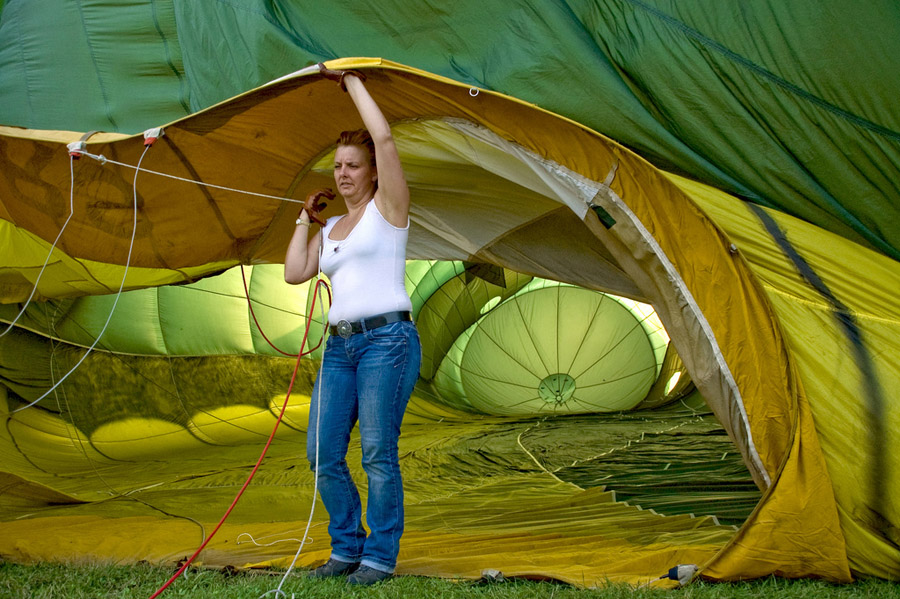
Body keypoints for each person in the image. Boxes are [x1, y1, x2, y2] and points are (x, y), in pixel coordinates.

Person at [284, 63, 421, 586]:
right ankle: (346, 548)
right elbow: (297, 271)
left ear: (372, 173)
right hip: (339, 350)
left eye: (353, 165)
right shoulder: (334, 228)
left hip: (387, 341)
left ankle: (380, 555)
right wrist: (305, 220)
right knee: (321, 453)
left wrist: (349, 82)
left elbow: (383, 136)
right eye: (338, 165)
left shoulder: (390, 208)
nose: (343, 173)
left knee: (377, 454)